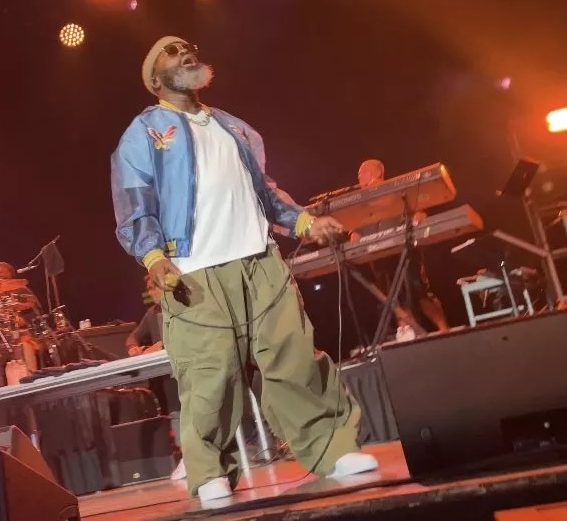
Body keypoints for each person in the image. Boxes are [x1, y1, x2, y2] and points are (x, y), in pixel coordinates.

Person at [110, 36, 377, 500]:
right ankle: (209, 470)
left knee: (294, 357)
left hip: (259, 260)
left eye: (188, 47)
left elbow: (266, 193)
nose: (185, 52)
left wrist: (306, 221)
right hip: (194, 272)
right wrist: (154, 257)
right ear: (155, 79)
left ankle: (332, 448)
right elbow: (134, 204)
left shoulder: (231, 126)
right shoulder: (144, 131)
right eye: (171, 51)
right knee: (209, 374)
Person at [352, 159, 450, 335]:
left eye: (364, 173)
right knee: (393, 298)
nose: (359, 178)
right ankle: (409, 332)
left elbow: (418, 211)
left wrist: (417, 218)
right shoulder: (361, 203)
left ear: (377, 173)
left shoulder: (396, 190)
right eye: (359, 175)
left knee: (419, 292)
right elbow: (355, 231)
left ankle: (444, 328)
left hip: (405, 251)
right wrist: (355, 243)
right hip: (379, 257)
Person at [126, 274, 186, 480]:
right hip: (169, 377)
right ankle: (186, 456)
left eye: (154, 287)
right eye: (149, 289)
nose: (151, 292)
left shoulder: (180, 305)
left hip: (188, 367)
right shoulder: (152, 313)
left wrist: (162, 345)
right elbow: (133, 337)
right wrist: (134, 348)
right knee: (176, 412)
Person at [0, 262, 44, 372]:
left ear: (11, 273)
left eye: (2, 271)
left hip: (22, 334)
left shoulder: (21, 290)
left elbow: (36, 311)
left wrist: (23, 320)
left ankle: (31, 376)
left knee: (25, 346)